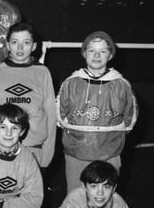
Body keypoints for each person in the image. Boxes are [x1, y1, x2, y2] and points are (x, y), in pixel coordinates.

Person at [57, 31, 138, 193]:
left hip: (109, 153)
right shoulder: (70, 83)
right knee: (76, 198)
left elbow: (130, 119)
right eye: (92, 50)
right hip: (76, 153)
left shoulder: (121, 85)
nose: (97, 55)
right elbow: (60, 117)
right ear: (84, 53)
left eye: (103, 51)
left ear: (110, 55)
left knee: (105, 198)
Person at [0, 22, 56, 168]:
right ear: (7, 45)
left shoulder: (42, 72)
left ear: (34, 46)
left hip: (34, 148)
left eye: (26, 42)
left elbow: (50, 114)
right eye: (14, 42)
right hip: (2, 148)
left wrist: (48, 153)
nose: (20, 48)